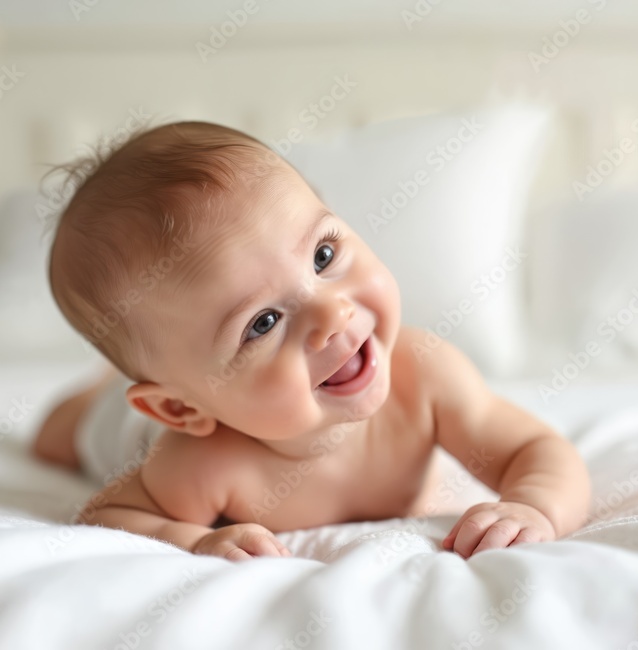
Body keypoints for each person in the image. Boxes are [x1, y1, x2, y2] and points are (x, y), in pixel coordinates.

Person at [32, 121, 590, 562]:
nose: (331, 312)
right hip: (129, 430)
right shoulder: (200, 463)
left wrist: (534, 506)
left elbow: (534, 452)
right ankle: (94, 395)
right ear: (180, 405)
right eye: (263, 322)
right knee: (59, 439)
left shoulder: (426, 376)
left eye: (323, 256)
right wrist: (194, 540)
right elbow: (106, 514)